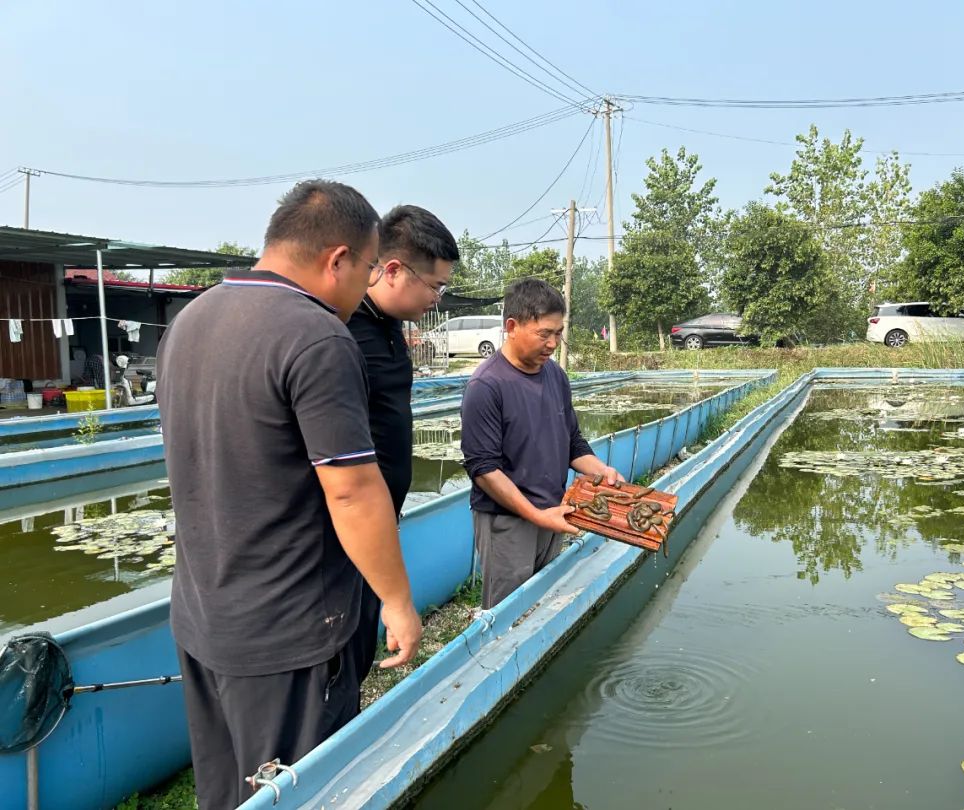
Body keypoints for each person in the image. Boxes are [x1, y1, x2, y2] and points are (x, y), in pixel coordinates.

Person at [157, 180, 422, 810]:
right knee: (302, 793)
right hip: (289, 633)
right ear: (337, 259)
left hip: (202, 618)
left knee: (226, 793)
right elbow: (354, 490)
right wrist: (397, 601)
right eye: (364, 269)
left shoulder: (190, 319)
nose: (363, 290)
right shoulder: (316, 337)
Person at [460, 278, 623, 610]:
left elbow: (572, 441)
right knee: (509, 611)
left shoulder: (555, 375)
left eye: (558, 333)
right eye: (544, 334)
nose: (552, 343)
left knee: (543, 599)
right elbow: (484, 470)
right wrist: (536, 515)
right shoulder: (487, 385)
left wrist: (601, 470)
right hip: (508, 521)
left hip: (553, 509)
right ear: (512, 326)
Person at [345, 204, 458, 680]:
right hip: (343, 536)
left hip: (377, 528)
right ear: (392, 270)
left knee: (356, 656)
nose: (439, 297)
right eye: (435, 285)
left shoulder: (390, 329)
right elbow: (345, 478)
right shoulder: (341, 332)